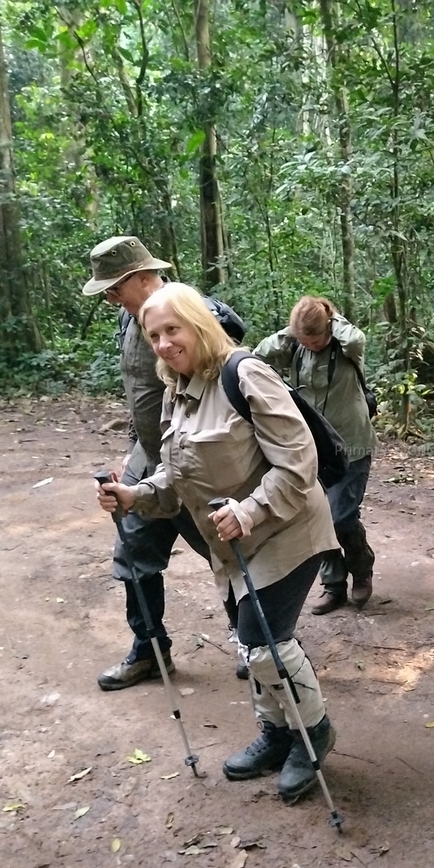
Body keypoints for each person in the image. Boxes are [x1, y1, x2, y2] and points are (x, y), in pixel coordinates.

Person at [96, 282, 339, 803]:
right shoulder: (176, 391)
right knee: (250, 644)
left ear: (197, 325)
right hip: (234, 544)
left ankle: (312, 734)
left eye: (172, 330)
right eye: (153, 334)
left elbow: (299, 464)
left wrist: (248, 509)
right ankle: (277, 734)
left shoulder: (245, 374)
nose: (162, 343)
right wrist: (135, 496)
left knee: (262, 641)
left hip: (287, 527)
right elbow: (175, 477)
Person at [81, 236, 247, 690]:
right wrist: (135, 450)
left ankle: (256, 642)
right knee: (133, 556)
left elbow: (227, 391)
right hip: (149, 460)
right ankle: (150, 650)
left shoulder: (192, 317)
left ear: (140, 278)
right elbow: (141, 394)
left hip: (197, 463)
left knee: (231, 558)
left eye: (114, 287)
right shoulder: (129, 318)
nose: (110, 296)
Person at [255, 296, 377, 615]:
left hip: (352, 445)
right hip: (313, 447)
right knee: (318, 519)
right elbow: (259, 355)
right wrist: (294, 333)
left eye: (316, 339)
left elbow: (357, 337)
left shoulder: (346, 346)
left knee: (340, 517)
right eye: (304, 341)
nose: (311, 345)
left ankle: (362, 571)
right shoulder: (295, 347)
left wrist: (330, 320)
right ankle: (333, 586)